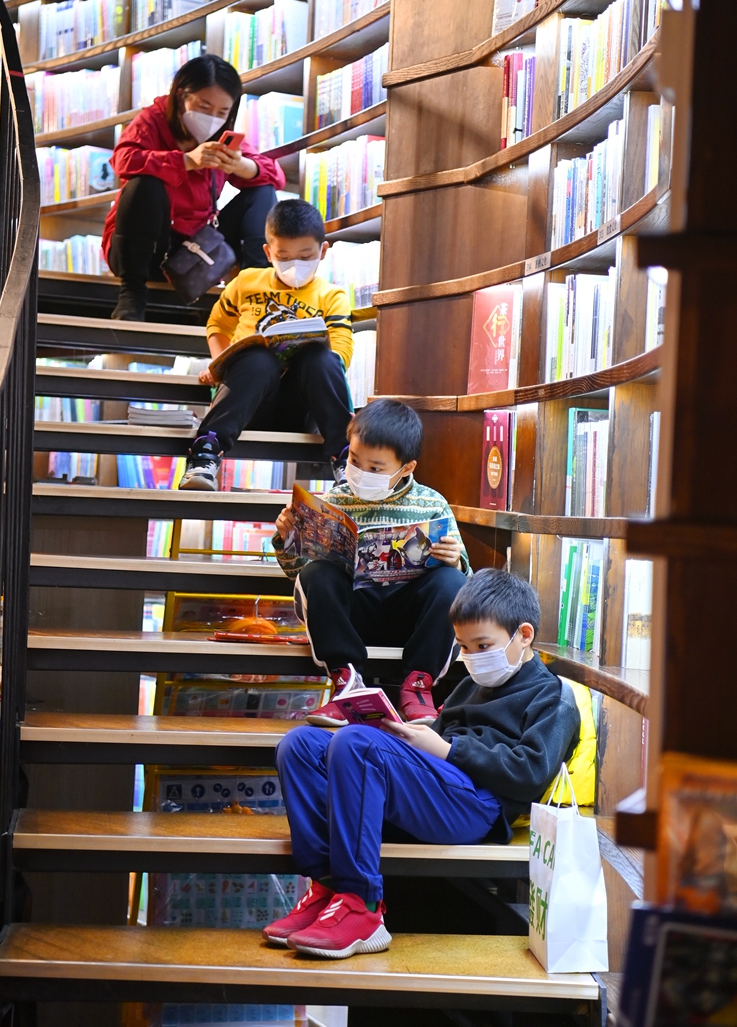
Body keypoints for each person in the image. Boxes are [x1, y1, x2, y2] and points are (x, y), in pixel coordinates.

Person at [263, 567, 581, 960]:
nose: (472, 658)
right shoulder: (470, 687)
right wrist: (408, 732)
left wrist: (446, 750)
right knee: (300, 744)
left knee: (358, 744)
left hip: (480, 807)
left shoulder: (552, 697)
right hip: (443, 788)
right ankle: (326, 887)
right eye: (463, 647)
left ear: (524, 635)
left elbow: (529, 772)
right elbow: (438, 742)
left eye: (483, 646)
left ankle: (361, 904)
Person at [272, 399, 470, 725]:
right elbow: (300, 578)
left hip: (411, 620)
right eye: (353, 460)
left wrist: (455, 562)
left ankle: (419, 685)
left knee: (453, 583)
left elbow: (466, 585)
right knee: (318, 573)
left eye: (375, 468)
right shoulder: (332, 501)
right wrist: (288, 539)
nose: (361, 473)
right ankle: (347, 681)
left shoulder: (432, 504)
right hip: (352, 616)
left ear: (406, 468)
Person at [180, 199, 354, 491]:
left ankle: (345, 457)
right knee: (259, 359)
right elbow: (218, 324)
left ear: (323, 251)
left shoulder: (331, 296)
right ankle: (205, 452)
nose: (295, 264)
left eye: (305, 255)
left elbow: (341, 352)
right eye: (284, 257)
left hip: (302, 406)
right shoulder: (247, 281)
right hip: (249, 401)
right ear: (267, 253)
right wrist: (218, 364)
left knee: (321, 358)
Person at [102, 54, 285, 321]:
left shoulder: (222, 137)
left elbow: (275, 175)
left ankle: (254, 295)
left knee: (263, 192)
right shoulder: (153, 120)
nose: (212, 118)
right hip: (144, 247)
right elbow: (123, 161)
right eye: (203, 107)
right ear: (180, 96)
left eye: (222, 112)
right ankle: (132, 296)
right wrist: (185, 161)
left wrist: (241, 166)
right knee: (145, 184)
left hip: (198, 250)